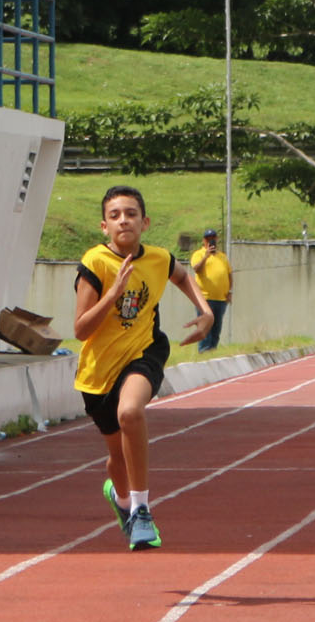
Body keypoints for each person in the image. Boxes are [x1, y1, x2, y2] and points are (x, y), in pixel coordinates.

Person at [74, 185, 213, 550]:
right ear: (104, 226)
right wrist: (111, 295)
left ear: (145, 222)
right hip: (97, 373)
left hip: (144, 352)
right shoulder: (95, 264)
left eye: (131, 214)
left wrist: (206, 310)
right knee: (116, 461)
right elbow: (80, 329)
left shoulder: (158, 259)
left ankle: (141, 509)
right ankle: (122, 499)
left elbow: (182, 276)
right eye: (116, 215)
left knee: (131, 412)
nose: (124, 220)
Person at [188, 227, 232, 353]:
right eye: (208, 239)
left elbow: (229, 274)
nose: (211, 241)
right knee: (205, 326)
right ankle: (203, 351)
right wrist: (206, 256)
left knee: (216, 328)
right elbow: (196, 268)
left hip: (221, 298)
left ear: (216, 239)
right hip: (204, 298)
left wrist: (230, 291)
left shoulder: (222, 256)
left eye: (213, 238)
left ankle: (212, 351)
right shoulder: (198, 254)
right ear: (204, 241)